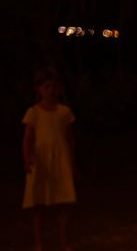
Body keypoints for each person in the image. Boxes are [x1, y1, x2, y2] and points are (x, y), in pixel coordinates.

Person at [22, 66, 77, 251]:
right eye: (47, 86)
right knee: (38, 203)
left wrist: (73, 162)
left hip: (60, 160)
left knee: (63, 202)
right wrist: (27, 158)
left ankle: (64, 241)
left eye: (54, 86)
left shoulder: (64, 112)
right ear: (39, 89)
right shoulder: (34, 112)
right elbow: (28, 138)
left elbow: (69, 139)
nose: (51, 90)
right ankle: (39, 243)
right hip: (41, 161)